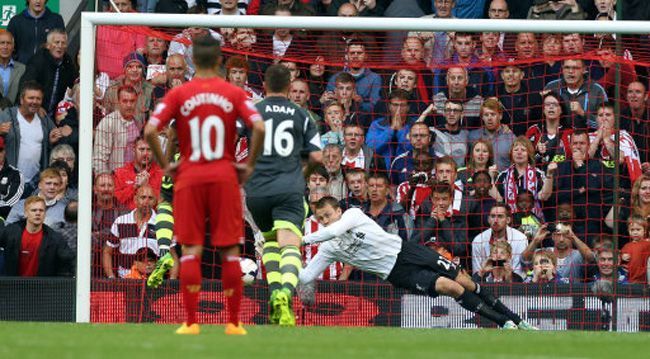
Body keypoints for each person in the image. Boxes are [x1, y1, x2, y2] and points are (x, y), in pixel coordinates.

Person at [144, 35, 266, 336]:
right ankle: (235, 322)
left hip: (190, 178)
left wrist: (167, 164)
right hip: (224, 177)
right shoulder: (234, 93)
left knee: (191, 250)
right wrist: (248, 165)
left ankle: (190, 321)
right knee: (229, 252)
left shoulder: (180, 94)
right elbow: (259, 126)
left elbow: (150, 129)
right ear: (220, 62)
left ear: (192, 61)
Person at [298, 196, 537, 330]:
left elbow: (336, 229)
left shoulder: (352, 215)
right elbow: (307, 276)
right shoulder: (329, 247)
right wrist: (287, 263)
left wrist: (302, 239)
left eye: (328, 215)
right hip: (397, 273)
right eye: (320, 219)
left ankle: (519, 320)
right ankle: (505, 324)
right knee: (450, 287)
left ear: (338, 211)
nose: (325, 221)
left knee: (466, 281)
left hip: (408, 251)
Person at [245, 64, 322, 327]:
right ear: (289, 88)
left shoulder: (252, 111)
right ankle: (284, 294)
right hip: (288, 188)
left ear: (264, 86)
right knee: (290, 246)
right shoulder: (302, 115)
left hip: (256, 191)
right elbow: (316, 156)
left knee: (269, 243)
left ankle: (274, 294)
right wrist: (302, 173)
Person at [0, 195, 74, 276]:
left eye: (41, 210)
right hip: (12, 286)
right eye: (34, 210)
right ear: (25, 213)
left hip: (41, 287)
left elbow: (68, 262)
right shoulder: (10, 232)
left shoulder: (55, 238)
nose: (38, 213)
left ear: (45, 214)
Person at [102, 185, 158, 279]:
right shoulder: (121, 221)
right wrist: (111, 277)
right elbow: (107, 252)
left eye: (150, 198)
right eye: (143, 197)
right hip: (125, 281)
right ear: (135, 199)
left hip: (154, 282)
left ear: (155, 201)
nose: (146, 201)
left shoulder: (162, 224)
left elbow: (172, 255)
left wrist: (171, 280)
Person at [19, 29, 78, 118]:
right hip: (33, 111)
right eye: (57, 42)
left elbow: (74, 84)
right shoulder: (38, 60)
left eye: (63, 43)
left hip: (55, 115)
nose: (60, 46)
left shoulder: (68, 62)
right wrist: (38, 107)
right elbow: (26, 85)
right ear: (48, 45)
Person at [471, 203, 528, 277]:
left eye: (500, 216)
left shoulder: (520, 239)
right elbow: (477, 273)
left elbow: (520, 273)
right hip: (486, 285)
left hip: (514, 285)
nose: (495, 220)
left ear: (508, 220)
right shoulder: (478, 240)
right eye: (493, 216)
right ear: (488, 220)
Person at [6, 0, 65, 64]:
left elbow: (62, 46)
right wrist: (19, 63)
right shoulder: (16, 21)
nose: (38, 1)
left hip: (48, 69)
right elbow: (8, 47)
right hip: (22, 70)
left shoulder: (56, 20)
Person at [0, 136, 24, 223]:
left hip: (3, 218)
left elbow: (12, 200)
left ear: (4, 152)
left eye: (0, 150)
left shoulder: (15, 174)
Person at [620, 214, 650, 284]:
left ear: (645, 230)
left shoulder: (647, 244)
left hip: (644, 280)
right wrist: (622, 258)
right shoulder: (626, 246)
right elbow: (621, 262)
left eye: (638, 229)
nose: (635, 232)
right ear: (628, 231)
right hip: (629, 280)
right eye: (632, 230)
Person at [0, 31, 26, 105]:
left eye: (8, 43)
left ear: (13, 47)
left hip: (14, 114)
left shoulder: (23, 69)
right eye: (2, 43)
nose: (5, 47)